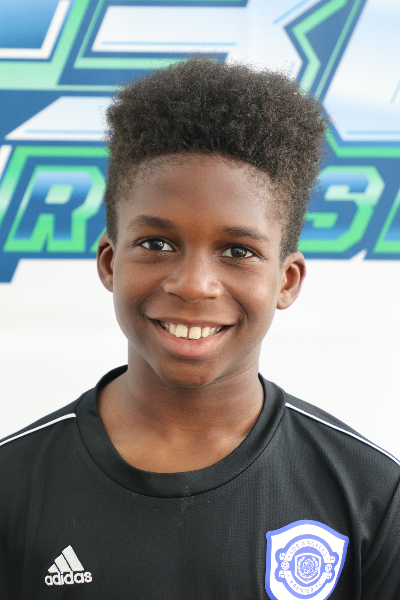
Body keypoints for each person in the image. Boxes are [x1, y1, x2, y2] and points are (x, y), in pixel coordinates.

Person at [0, 57, 399, 600]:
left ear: (286, 280)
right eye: (157, 244)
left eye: (238, 251)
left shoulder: (372, 496)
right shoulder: (14, 484)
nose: (193, 285)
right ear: (111, 262)